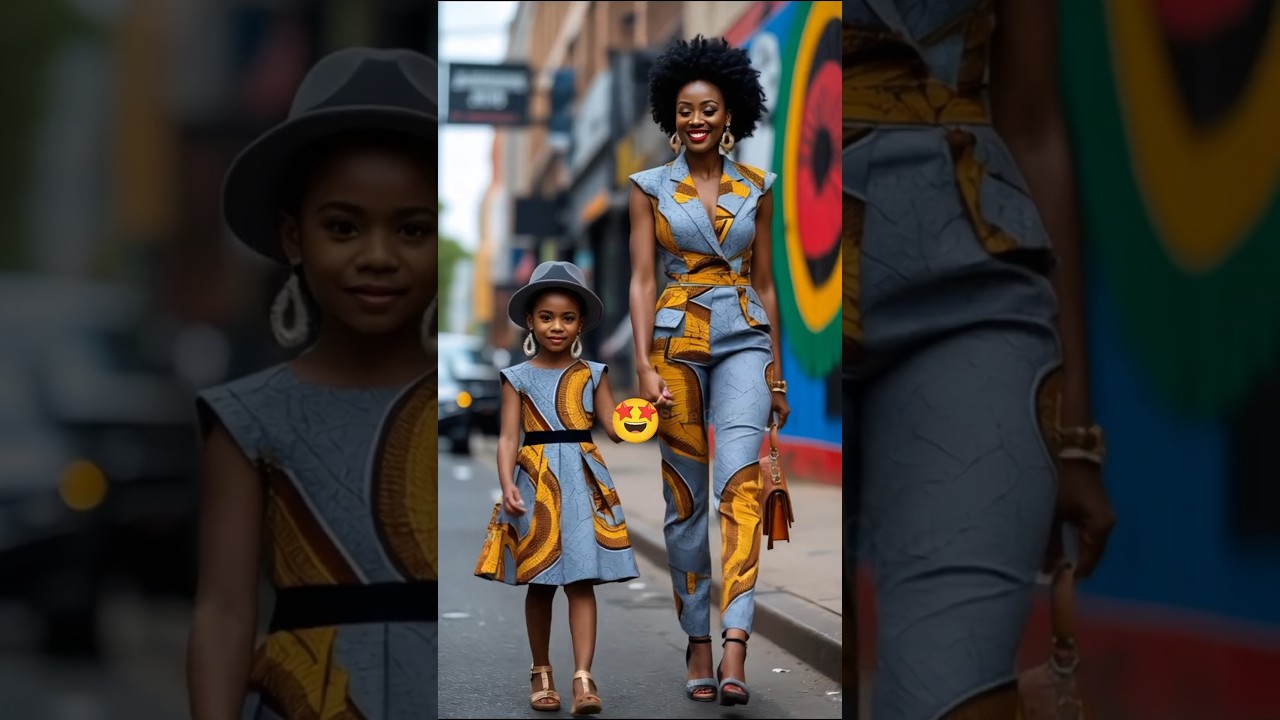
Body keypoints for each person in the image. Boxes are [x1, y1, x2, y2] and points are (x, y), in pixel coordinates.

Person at [842, 1, 1118, 718]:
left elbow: (1034, 124)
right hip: (797, 290)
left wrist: (1076, 435)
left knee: (954, 695)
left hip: (973, 279)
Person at [185, 47, 438, 720]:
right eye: (343, 227)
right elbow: (224, 610)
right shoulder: (246, 416)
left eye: (414, 228)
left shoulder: (480, 409)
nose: (378, 256)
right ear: (295, 238)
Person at [627, 34, 789, 707]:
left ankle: (734, 643)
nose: (697, 121)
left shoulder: (760, 186)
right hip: (675, 341)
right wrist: (640, 365)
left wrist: (776, 373)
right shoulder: (648, 188)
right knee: (684, 499)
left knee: (741, 487)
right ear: (672, 115)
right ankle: (696, 636)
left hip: (745, 339)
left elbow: (770, 283)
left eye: (710, 110)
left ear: (732, 116)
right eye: (686, 110)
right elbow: (640, 280)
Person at [473, 260, 639, 716]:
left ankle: (584, 677)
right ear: (530, 320)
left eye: (567, 318)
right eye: (546, 317)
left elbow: (615, 427)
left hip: (585, 481)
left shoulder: (595, 374)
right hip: (536, 483)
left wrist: (646, 410)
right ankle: (541, 671)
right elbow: (508, 438)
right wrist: (507, 483)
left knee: (581, 581)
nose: (556, 326)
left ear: (580, 322)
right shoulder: (518, 377)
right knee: (541, 583)